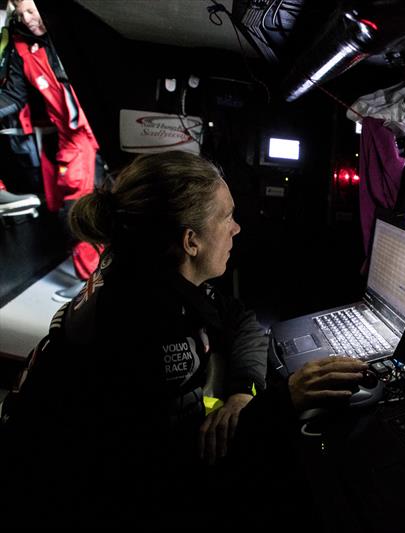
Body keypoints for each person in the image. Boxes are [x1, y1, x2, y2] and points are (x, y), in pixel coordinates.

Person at [0, 150, 368, 527]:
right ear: (191, 241)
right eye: (226, 217)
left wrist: (243, 391)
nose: (236, 229)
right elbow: (177, 471)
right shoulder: (145, 324)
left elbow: (240, 320)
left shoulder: (140, 265)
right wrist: (284, 398)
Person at [0, 0, 100, 299]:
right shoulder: (21, 45)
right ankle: (94, 277)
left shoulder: (71, 34)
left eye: (32, 10)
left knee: (76, 203)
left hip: (87, 131)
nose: (28, 19)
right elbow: (12, 96)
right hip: (66, 133)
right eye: (22, 14)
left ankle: (90, 282)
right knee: (62, 203)